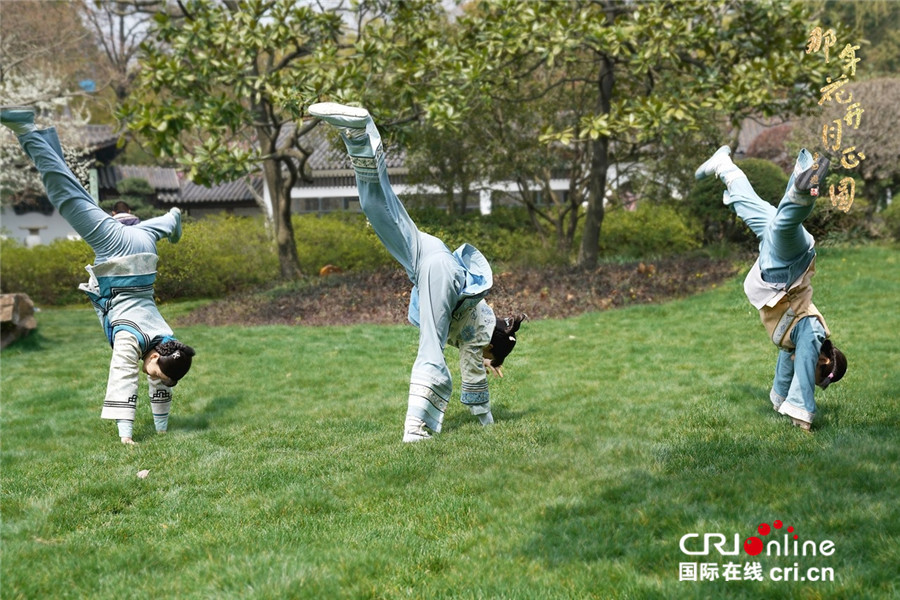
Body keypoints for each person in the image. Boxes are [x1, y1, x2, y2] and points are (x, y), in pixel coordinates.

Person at [309, 102, 525, 442]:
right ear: (491, 348)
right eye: (490, 357)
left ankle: (359, 135)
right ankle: (416, 428)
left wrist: (491, 353)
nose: (484, 360)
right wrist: (487, 420)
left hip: (429, 256)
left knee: (378, 208)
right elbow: (473, 372)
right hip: (439, 269)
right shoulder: (480, 338)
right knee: (431, 348)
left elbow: (483, 345)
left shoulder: (484, 324)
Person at [1, 107, 195, 445]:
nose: (158, 381)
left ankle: (170, 219)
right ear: (152, 357)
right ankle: (26, 128)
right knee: (65, 194)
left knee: (81, 194)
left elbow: (158, 381)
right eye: (160, 375)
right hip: (120, 249)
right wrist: (127, 438)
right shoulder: (131, 339)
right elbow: (123, 378)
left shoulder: (167, 340)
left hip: (145, 250)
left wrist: (163, 430)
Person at [695, 145, 846, 431]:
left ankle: (723, 165)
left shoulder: (799, 335)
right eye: (817, 373)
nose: (809, 371)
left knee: (750, 206)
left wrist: (778, 398)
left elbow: (787, 365)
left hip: (783, 263)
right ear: (823, 359)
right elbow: (802, 364)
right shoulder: (812, 333)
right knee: (786, 225)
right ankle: (804, 188)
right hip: (785, 267)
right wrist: (802, 414)